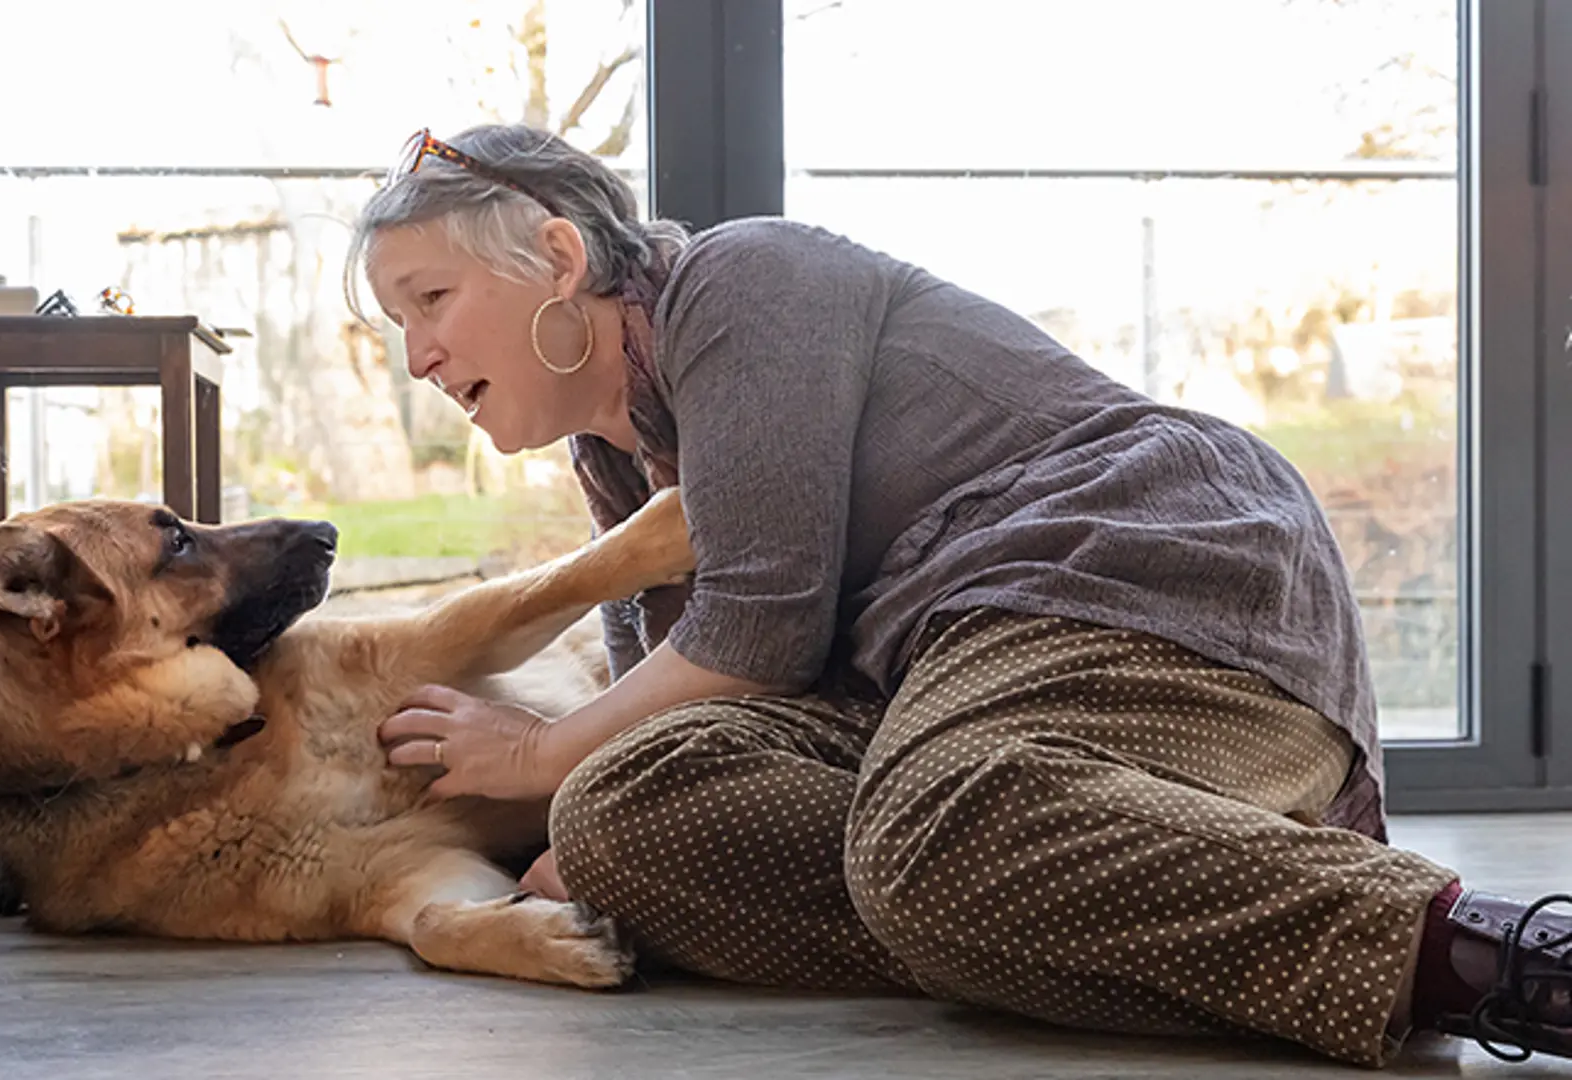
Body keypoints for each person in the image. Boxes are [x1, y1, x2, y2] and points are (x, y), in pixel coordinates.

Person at [351, 124, 1571, 1068]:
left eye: (431, 301)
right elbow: (678, 719)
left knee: (923, 831)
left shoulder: (741, 280)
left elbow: (760, 628)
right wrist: (584, 809)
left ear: (559, 255)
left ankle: (1499, 958)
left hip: (1129, 565)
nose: (416, 357)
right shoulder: (620, 454)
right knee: (632, 812)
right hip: (936, 699)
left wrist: (536, 753)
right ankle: (1144, 869)